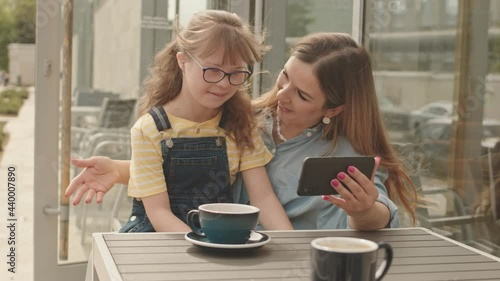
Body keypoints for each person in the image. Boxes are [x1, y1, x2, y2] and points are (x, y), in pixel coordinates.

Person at [67, 32, 419, 231]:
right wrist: (120, 169)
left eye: (302, 94)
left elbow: (379, 216)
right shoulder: (242, 117)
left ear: (334, 108)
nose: (281, 95)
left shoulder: (341, 154)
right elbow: (188, 167)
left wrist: (364, 212)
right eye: (284, 77)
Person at [95, 10, 293, 233]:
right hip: (159, 240)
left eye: (236, 73)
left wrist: (291, 243)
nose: (224, 84)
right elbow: (159, 214)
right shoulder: (149, 129)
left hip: (216, 237)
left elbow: (264, 198)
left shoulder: (240, 123)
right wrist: (205, 246)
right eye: (213, 70)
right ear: (183, 61)